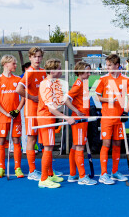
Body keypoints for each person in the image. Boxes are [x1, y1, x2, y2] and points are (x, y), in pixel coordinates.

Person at [95, 53, 129, 185]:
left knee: (117, 144)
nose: (107, 68)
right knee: (106, 144)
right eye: (107, 65)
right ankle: (103, 174)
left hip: (119, 118)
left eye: (110, 65)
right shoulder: (103, 79)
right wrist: (108, 100)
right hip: (107, 117)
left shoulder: (126, 80)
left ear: (117, 65)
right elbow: (97, 97)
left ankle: (115, 171)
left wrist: (125, 112)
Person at [35, 59, 74, 188]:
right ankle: (43, 179)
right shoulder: (46, 85)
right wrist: (66, 118)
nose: (61, 71)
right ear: (52, 71)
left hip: (49, 117)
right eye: (59, 69)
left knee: (49, 147)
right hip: (45, 118)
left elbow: (63, 99)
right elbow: (51, 108)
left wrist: (76, 111)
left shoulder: (55, 83)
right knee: (48, 147)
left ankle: (50, 174)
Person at [0, 55, 26, 179]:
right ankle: (1, 168)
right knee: (1, 141)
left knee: (16, 141)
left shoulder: (18, 79)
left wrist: (17, 110)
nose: (16, 66)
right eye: (13, 64)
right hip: (2, 117)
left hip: (15, 117)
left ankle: (17, 168)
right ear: (6, 64)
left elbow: (24, 97)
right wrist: (5, 113)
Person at [17, 47, 47, 180]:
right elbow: (18, 89)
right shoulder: (29, 72)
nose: (37, 59)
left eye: (39, 56)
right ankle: (32, 171)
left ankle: (47, 170)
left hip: (43, 111)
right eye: (35, 56)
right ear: (30, 58)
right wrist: (32, 97)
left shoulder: (43, 71)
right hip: (31, 111)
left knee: (44, 140)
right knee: (32, 138)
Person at [65, 61, 97, 185]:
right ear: (80, 72)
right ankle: (82, 177)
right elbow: (66, 100)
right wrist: (77, 111)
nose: (89, 74)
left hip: (83, 120)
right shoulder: (78, 85)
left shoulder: (83, 83)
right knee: (79, 147)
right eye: (87, 72)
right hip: (79, 120)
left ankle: (73, 174)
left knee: (75, 146)